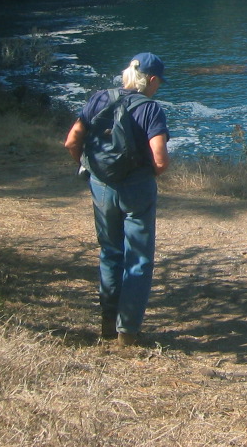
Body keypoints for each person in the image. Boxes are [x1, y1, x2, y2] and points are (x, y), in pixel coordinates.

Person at [64, 52, 170, 347]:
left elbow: (72, 141)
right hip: (136, 189)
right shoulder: (150, 109)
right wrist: (146, 177)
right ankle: (128, 332)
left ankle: (107, 323)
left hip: (101, 186)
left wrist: (93, 169)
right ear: (151, 79)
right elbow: (160, 159)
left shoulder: (99, 98)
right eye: (158, 81)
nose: (158, 87)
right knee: (138, 257)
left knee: (110, 252)